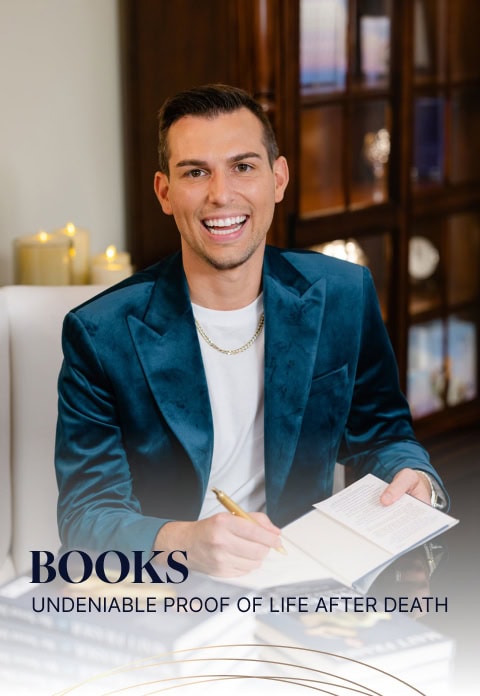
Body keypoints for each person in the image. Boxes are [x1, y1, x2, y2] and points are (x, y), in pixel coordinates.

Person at [55, 84, 446, 578]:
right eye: (196, 172)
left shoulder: (342, 294)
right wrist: (183, 542)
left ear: (278, 179)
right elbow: (85, 515)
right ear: (164, 193)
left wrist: (414, 477)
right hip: (169, 594)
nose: (221, 194)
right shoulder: (99, 333)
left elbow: (383, 433)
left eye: (243, 167)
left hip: (302, 584)